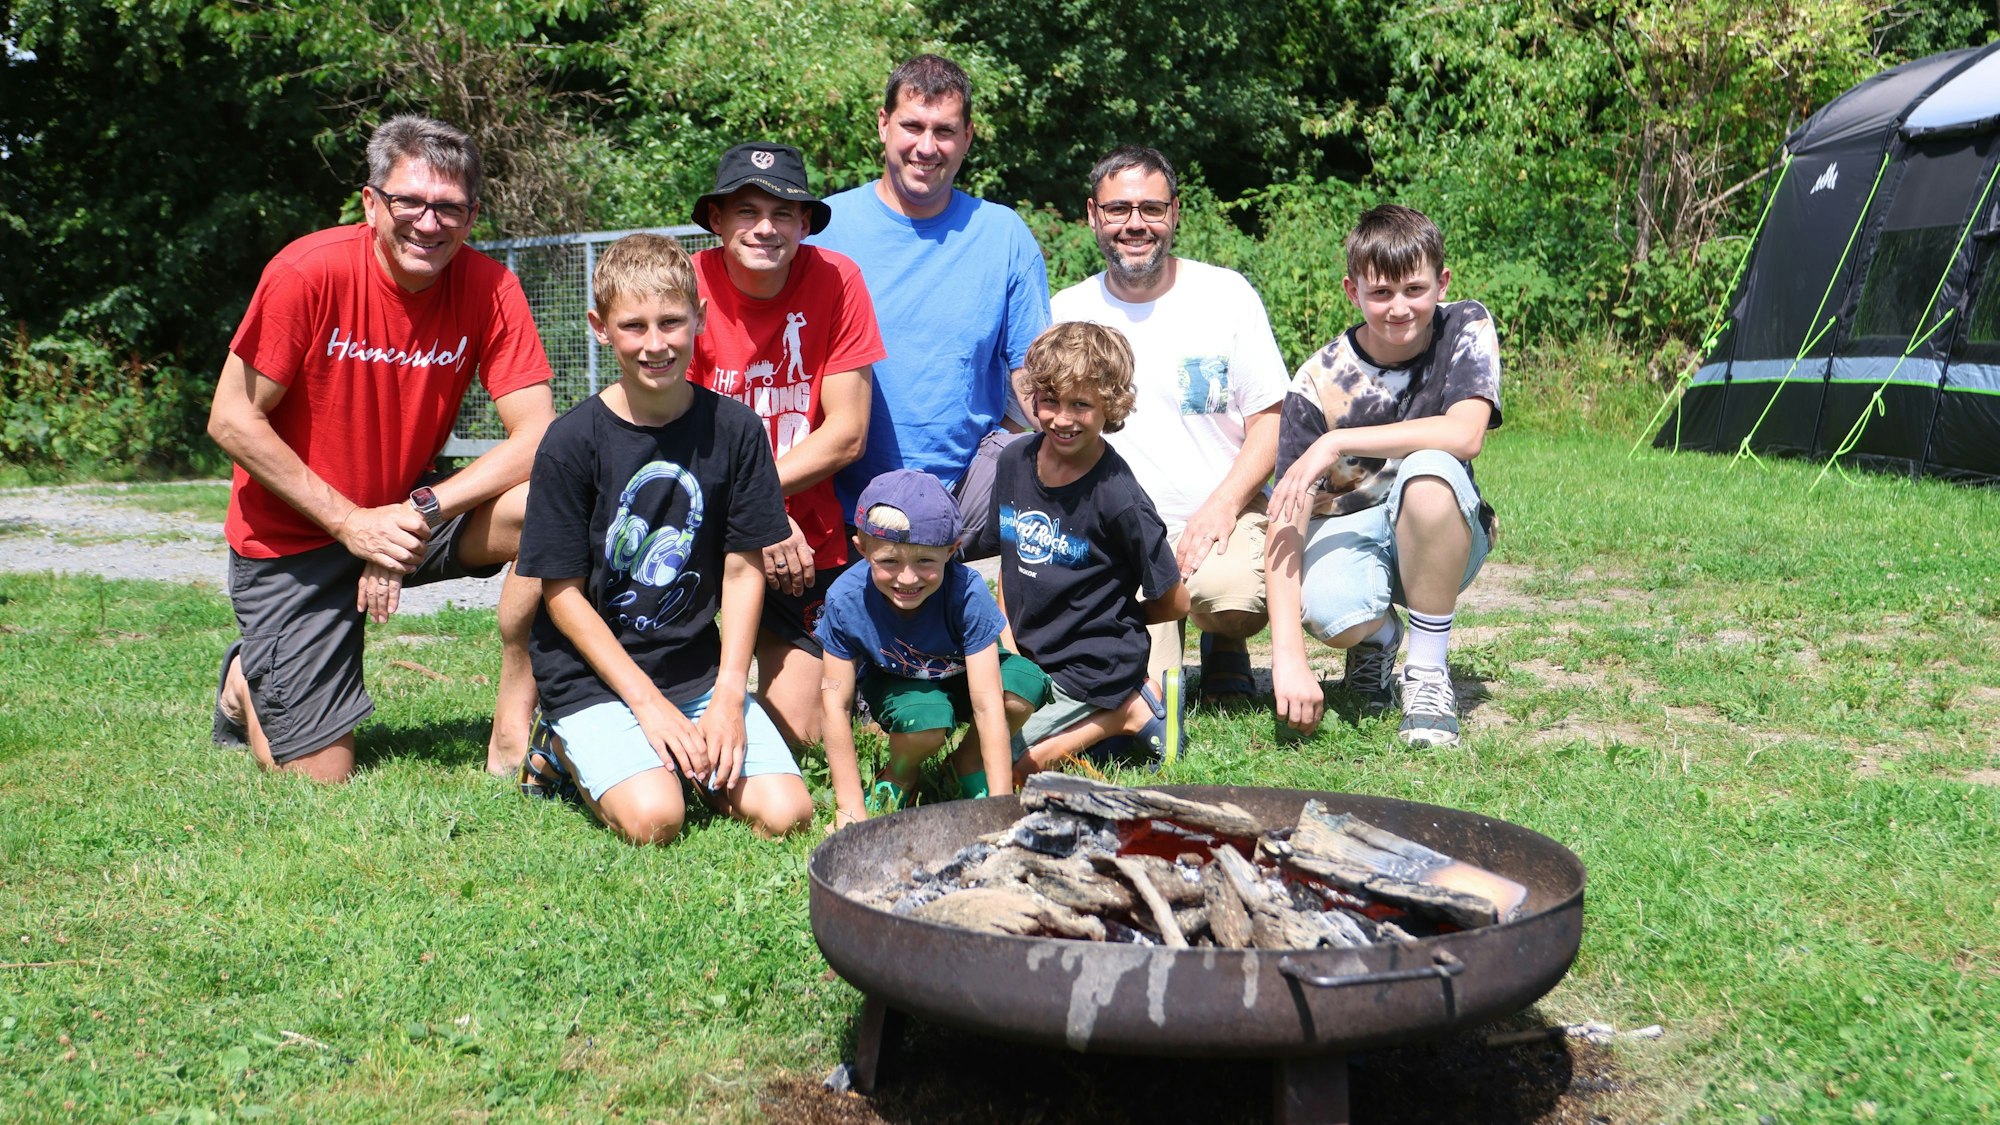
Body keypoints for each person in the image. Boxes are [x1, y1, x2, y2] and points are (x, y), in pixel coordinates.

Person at [207, 114, 555, 784]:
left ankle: (515, 724)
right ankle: (245, 679)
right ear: (371, 202)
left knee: (553, 504)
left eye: (449, 207)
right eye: (409, 202)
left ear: (471, 214)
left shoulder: (490, 287)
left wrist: (416, 513)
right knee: (317, 775)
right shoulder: (307, 272)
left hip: (405, 510)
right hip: (294, 536)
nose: (429, 223)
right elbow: (231, 418)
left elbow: (539, 432)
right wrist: (350, 522)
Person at [512, 233, 815, 845]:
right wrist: (648, 707)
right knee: (657, 819)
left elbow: (741, 569)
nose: (656, 344)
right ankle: (560, 743)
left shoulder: (736, 429)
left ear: (700, 317)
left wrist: (731, 694)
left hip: (696, 673)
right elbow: (562, 596)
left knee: (788, 814)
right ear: (601, 328)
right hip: (592, 677)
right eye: (634, 326)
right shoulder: (571, 442)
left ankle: (671, 752)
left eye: (672, 322)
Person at [1050, 145, 1288, 702]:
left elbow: (1271, 422)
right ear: (1093, 215)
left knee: (1230, 598)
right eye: (1118, 210)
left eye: (1152, 209)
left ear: (1175, 212)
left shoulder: (1226, 295)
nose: (1136, 224)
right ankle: (1158, 635)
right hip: (1112, 531)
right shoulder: (1066, 310)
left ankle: (1223, 638)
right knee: (1154, 700)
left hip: (1212, 520)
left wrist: (1222, 507)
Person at [1266, 204, 1503, 749]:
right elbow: (1287, 514)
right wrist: (1288, 656)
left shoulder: (1465, 325)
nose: (1399, 308)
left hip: (1440, 529)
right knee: (1329, 610)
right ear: (1352, 291)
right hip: (1352, 530)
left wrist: (1338, 440)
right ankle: (1377, 638)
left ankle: (1426, 674)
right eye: (1380, 294)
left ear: (1442, 283)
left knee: (1429, 468)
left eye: (1415, 290)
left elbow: (1466, 434)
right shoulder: (1316, 380)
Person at [685, 142, 885, 751]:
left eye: (783, 212)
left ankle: (858, 679)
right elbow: (666, 433)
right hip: (696, 522)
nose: (765, 228)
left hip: (802, 538)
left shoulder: (837, 278)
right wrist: (756, 514)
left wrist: (764, 506)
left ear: (805, 223)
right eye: (746, 211)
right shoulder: (685, 284)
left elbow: (847, 432)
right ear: (717, 220)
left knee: (800, 730)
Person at [812, 53, 1050, 541]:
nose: (927, 147)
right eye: (912, 126)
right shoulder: (823, 231)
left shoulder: (1003, 235)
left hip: (968, 495)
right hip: (837, 492)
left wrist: (1061, 441)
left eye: (943, 130)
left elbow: (1035, 372)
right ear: (883, 125)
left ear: (967, 137)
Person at [977, 323, 1189, 780]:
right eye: (1050, 400)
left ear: (1110, 407)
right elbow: (1010, 565)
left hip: (1094, 663)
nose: (1062, 419)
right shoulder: (1012, 462)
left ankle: (1128, 710)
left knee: (1002, 771)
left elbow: (1176, 600)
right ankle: (1112, 712)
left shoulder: (1119, 498)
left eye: (1082, 405)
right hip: (1029, 654)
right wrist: (1008, 650)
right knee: (972, 755)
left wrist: (1105, 617)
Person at [817, 470, 1051, 826]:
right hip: (901, 686)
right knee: (924, 720)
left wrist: (1002, 805)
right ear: (862, 549)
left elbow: (988, 706)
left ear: (951, 551)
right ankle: (900, 773)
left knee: (1022, 685)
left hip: (966, 677)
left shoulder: (967, 592)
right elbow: (835, 703)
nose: (907, 578)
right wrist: (848, 808)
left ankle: (966, 764)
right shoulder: (844, 600)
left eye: (925, 561)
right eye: (890, 561)